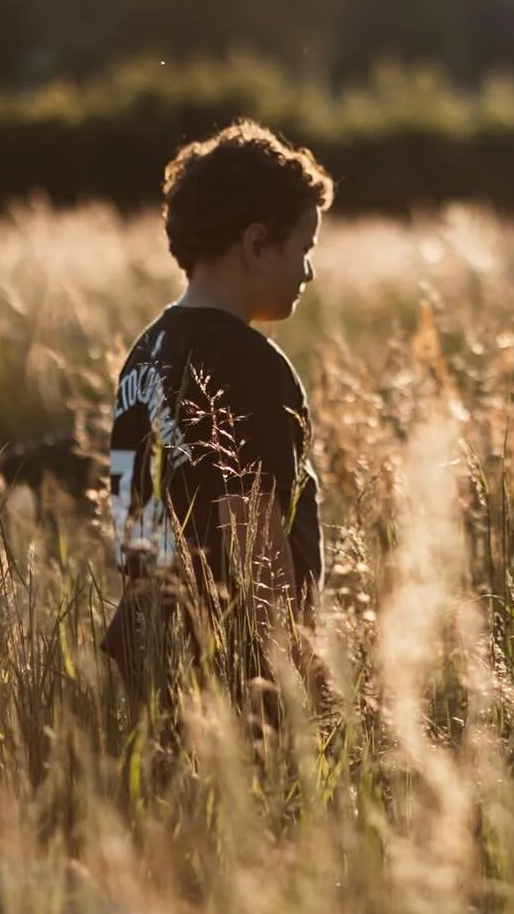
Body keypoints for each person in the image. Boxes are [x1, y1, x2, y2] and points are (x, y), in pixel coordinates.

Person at [102, 120, 332, 725]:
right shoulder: (251, 366)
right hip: (241, 683)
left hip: (149, 661)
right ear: (257, 245)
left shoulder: (143, 355)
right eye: (303, 250)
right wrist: (312, 688)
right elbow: (257, 545)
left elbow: (134, 533)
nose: (308, 272)